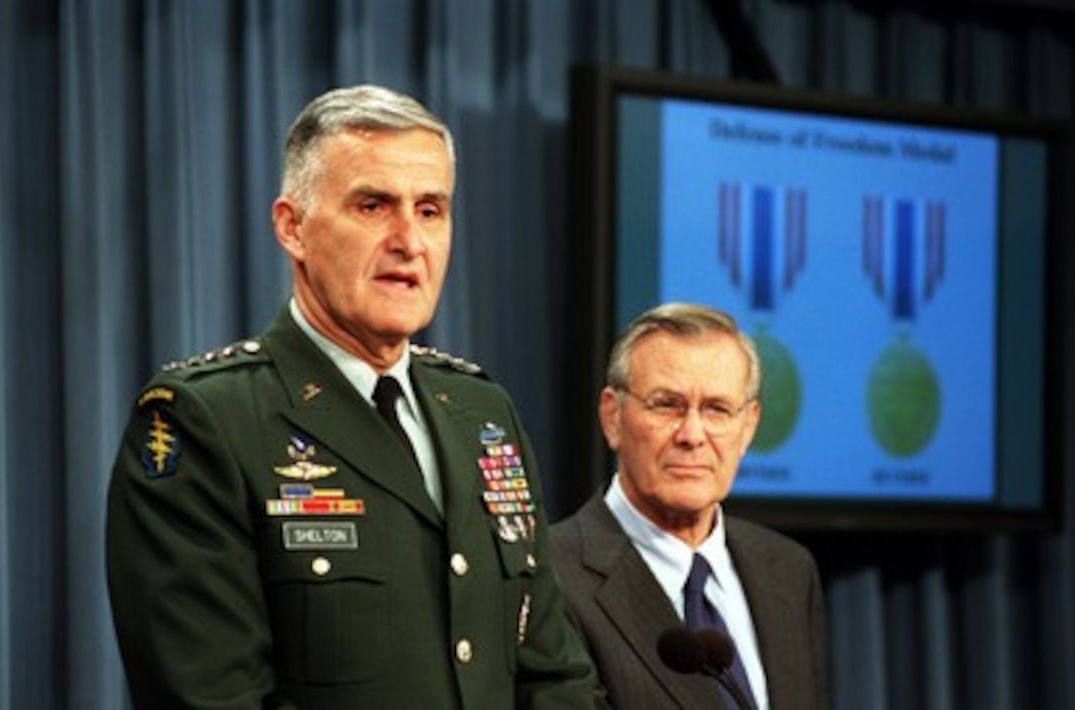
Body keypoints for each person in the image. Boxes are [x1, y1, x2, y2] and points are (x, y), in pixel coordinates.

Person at [106, 84, 598, 709]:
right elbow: (212, 698)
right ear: (293, 228)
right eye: (372, 206)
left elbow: (552, 672)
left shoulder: (482, 413)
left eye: (430, 209)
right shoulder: (205, 422)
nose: (409, 241)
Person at [549, 303, 828, 710]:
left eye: (717, 409)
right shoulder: (551, 578)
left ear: (748, 426)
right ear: (612, 417)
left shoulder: (788, 570)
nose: (692, 434)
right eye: (667, 405)